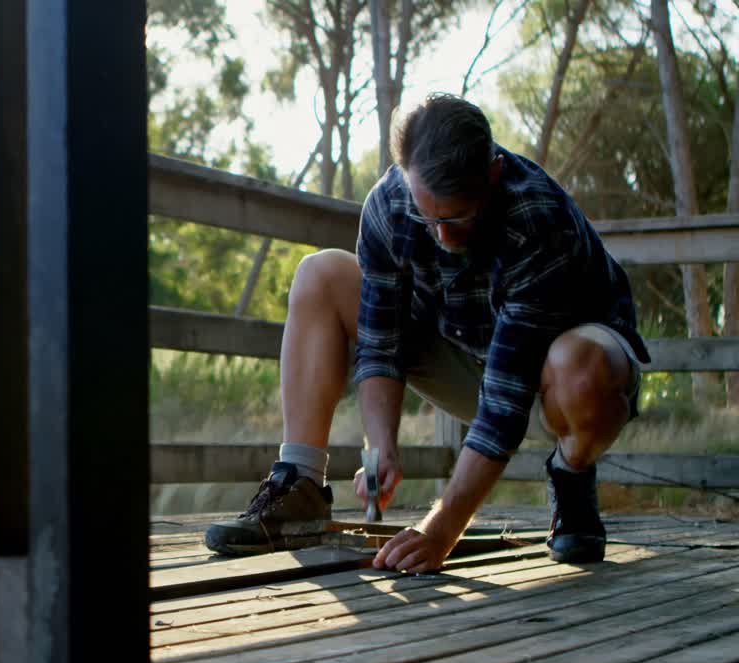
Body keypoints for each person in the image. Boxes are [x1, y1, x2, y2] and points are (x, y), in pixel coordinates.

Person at [204, 93, 650, 572]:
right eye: (428, 218)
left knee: (580, 368)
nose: (442, 237)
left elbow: (505, 404)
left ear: (493, 175)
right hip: (465, 358)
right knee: (320, 275)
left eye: (457, 218)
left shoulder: (537, 219)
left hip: (557, 383)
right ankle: (300, 484)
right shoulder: (390, 204)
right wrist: (381, 447)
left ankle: (571, 474)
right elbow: (380, 342)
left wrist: (441, 531)